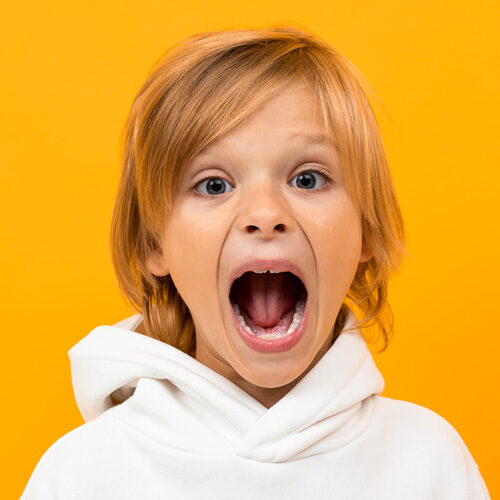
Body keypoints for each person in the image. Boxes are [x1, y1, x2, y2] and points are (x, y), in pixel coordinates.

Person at [21, 25, 490, 499]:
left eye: (307, 179)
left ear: (365, 228)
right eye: (213, 185)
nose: (265, 215)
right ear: (153, 244)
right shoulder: (82, 475)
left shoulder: (429, 462)